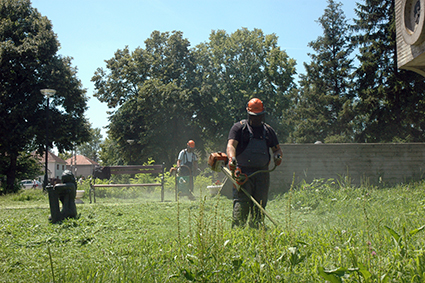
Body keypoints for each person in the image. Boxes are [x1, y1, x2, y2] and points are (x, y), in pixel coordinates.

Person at [226, 98, 282, 228]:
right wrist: (232, 158)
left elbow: (277, 149)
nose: (255, 118)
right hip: (243, 174)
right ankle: (238, 230)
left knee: (260, 204)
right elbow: (231, 145)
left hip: (262, 174)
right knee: (242, 203)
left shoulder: (268, 131)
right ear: (248, 114)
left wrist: (277, 156)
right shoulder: (239, 128)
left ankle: (256, 229)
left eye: (258, 116)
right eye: (253, 116)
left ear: (262, 114)